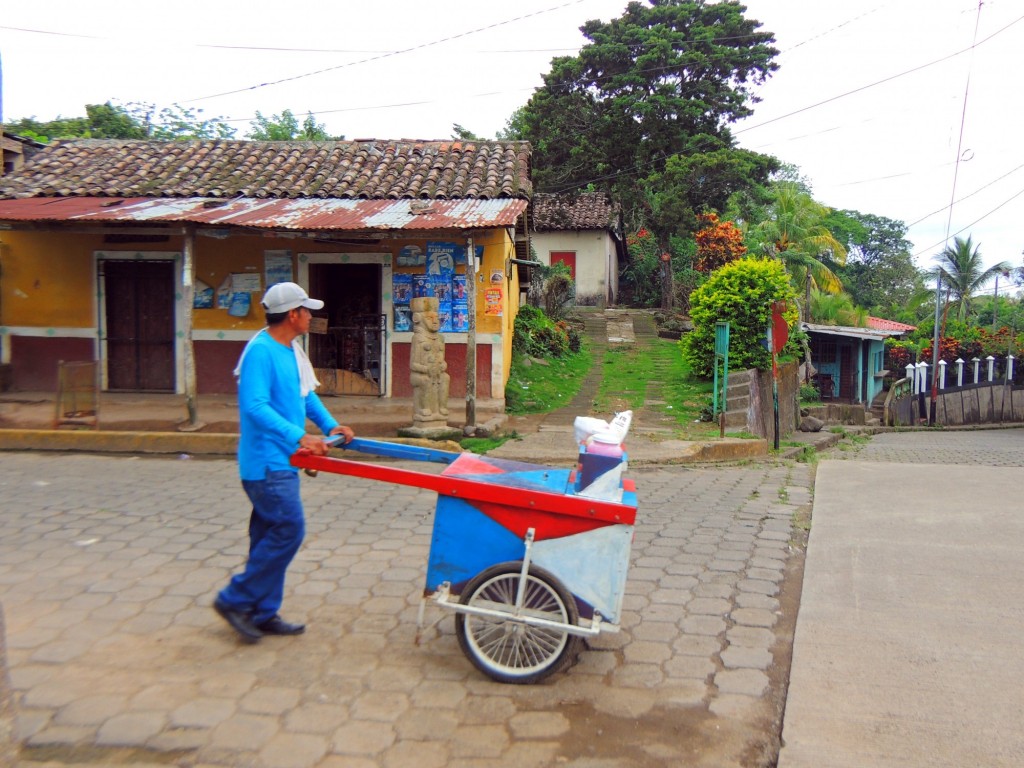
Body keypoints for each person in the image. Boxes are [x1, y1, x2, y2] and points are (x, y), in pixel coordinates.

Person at [214, 281, 354, 643]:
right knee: (289, 530)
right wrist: (300, 437)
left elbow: (305, 398)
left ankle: (262, 612)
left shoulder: (291, 350)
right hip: (266, 464)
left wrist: (330, 426)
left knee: (267, 537)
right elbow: (255, 406)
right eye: (307, 310)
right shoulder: (261, 352)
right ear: (293, 315)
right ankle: (234, 600)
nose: (311, 315)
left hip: (283, 461)